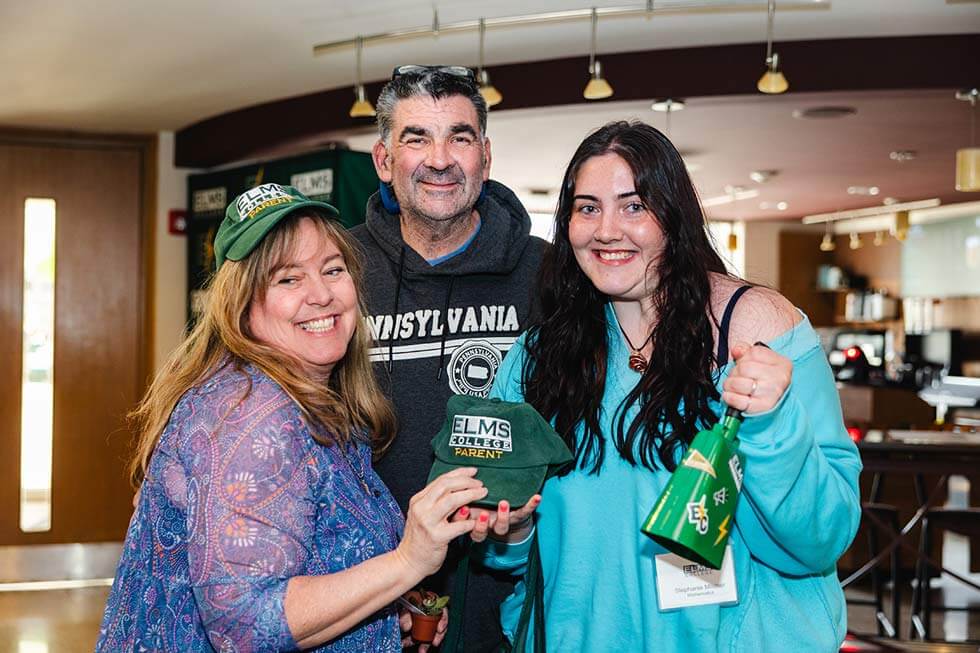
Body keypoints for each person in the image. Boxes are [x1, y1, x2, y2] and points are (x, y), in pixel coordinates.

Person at [474, 121, 863, 652]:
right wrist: (511, 528)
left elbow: (822, 538)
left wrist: (771, 424)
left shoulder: (754, 329)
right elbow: (510, 550)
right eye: (587, 208)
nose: (607, 230)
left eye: (634, 206)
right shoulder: (536, 359)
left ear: (673, 217)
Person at [98, 183, 489, 652]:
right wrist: (406, 562)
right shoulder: (251, 414)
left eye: (332, 269)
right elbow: (245, 625)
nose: (321, 295)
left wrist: (384, 612)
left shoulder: (318, 401)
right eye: (288, 279)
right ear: (242, 305)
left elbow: (311, 569)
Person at [350, 65, 548, 652]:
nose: (440, 159)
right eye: (417, 138)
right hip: (367, 597)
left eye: (459, 137)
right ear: (385, 160)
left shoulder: (547, 273)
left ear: (485, 157)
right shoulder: (339, 270)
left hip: (506, 594)